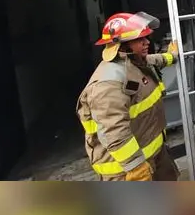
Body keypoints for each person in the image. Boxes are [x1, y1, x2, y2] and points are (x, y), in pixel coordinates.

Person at [77, 12, 180, 181]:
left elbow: (152, 60)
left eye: (146, 37)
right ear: (122, 46)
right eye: (140, 39)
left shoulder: (135, 63)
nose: (147, 42)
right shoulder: (107, 84)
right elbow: (114, 131)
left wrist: (171, 56)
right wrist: (136, 168)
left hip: (153, 156)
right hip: (126, 172)